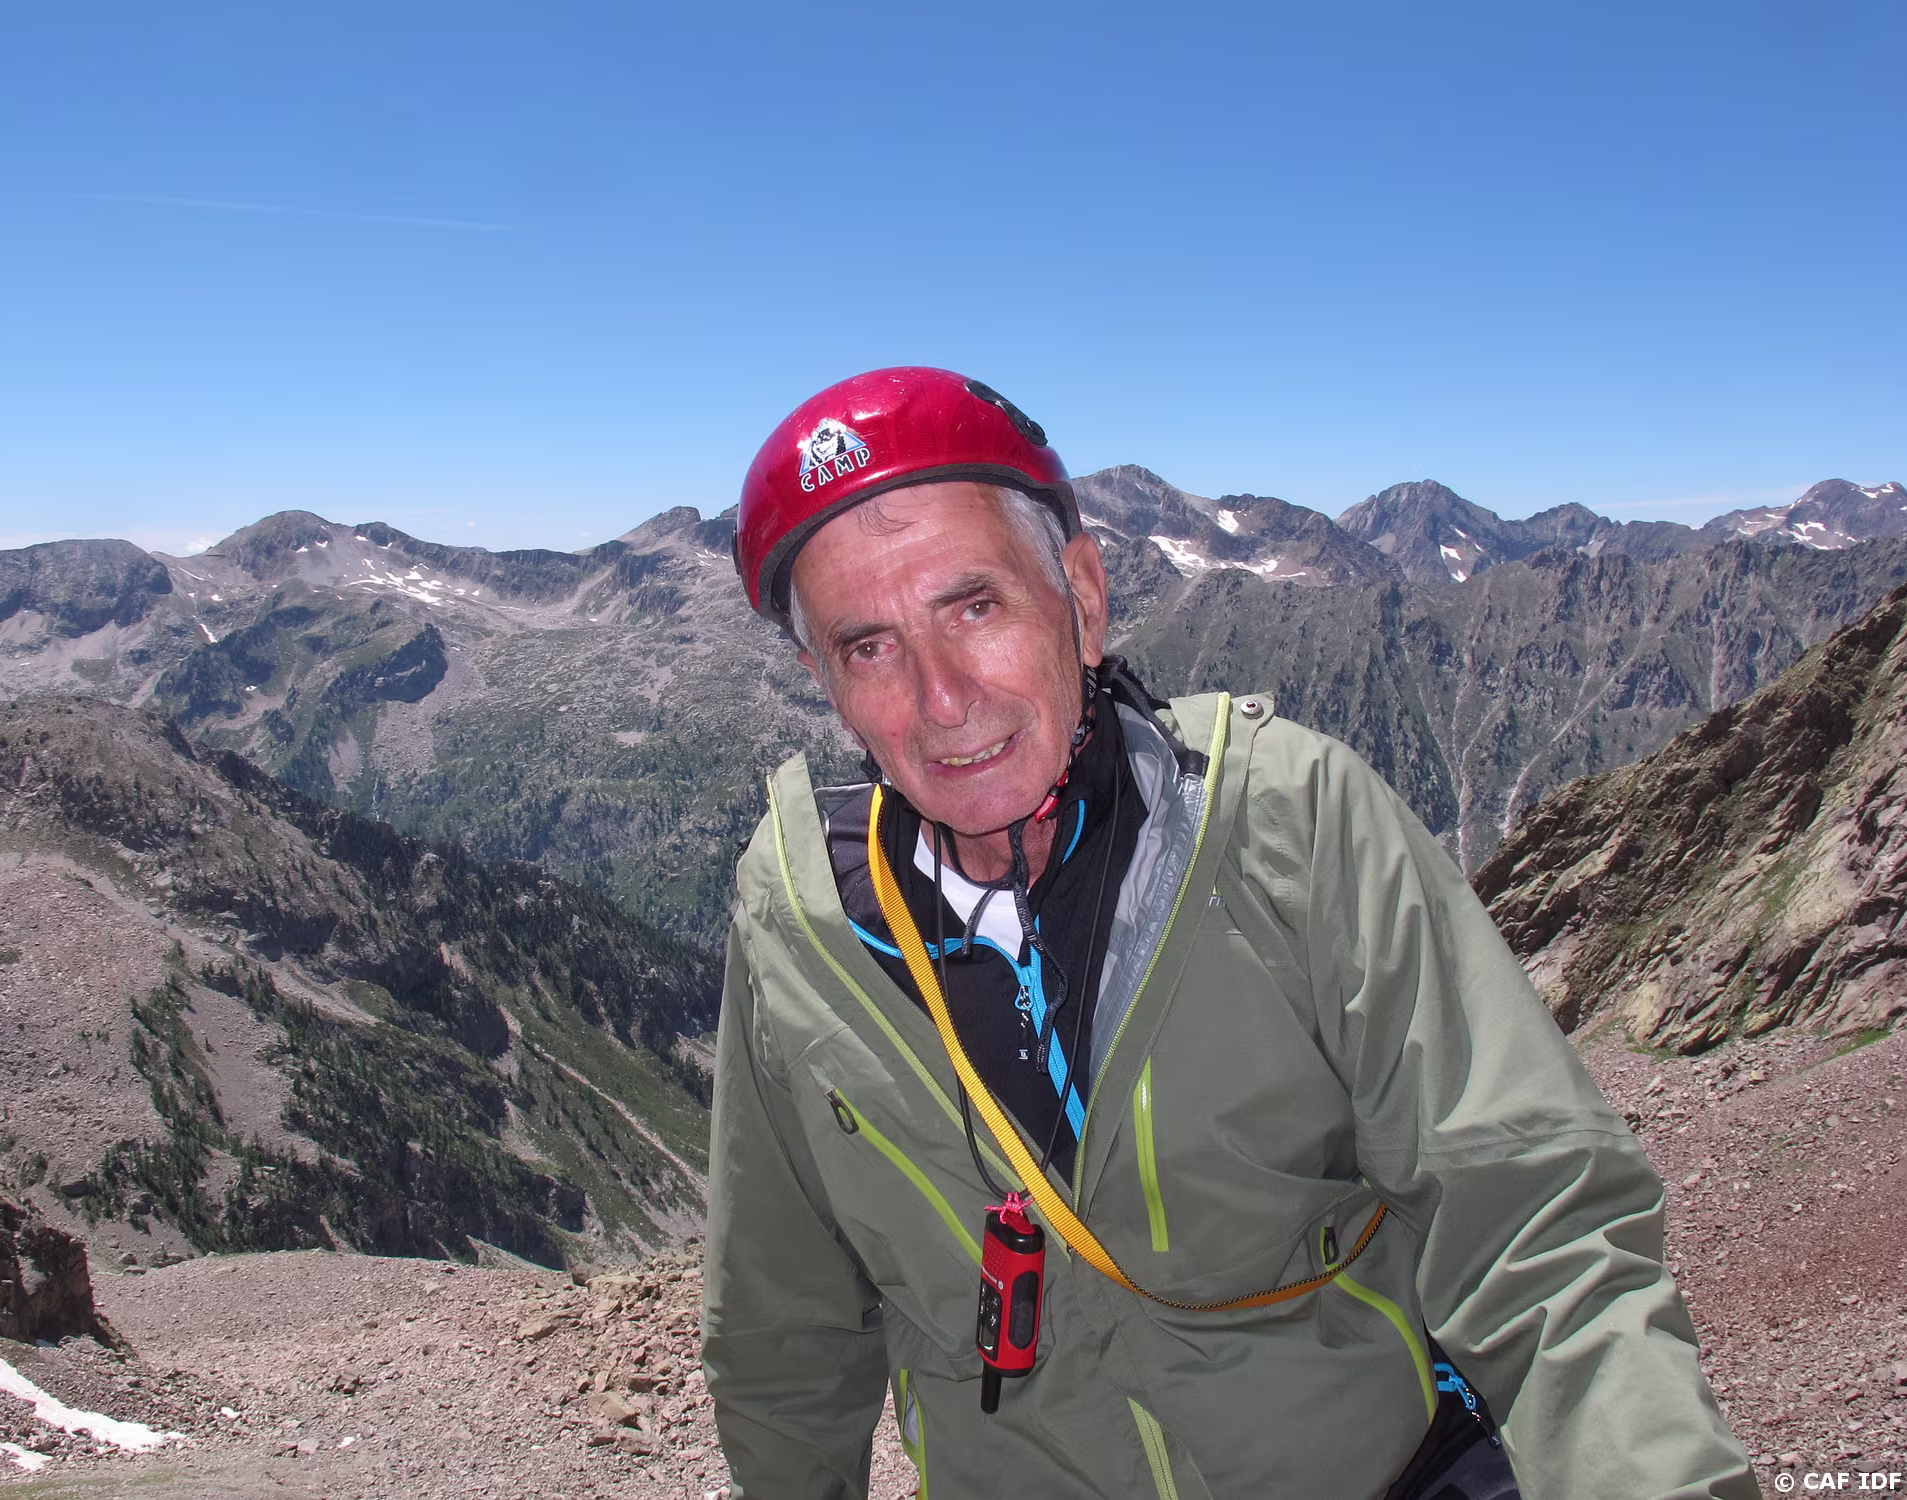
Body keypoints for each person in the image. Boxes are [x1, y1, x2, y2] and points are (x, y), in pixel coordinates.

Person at [701, 366, 1757, 1499]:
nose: (942, 698)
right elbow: (781, 1336)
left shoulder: (1291, 821)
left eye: (975, 607)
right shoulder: (798, 925)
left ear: (1082, 598)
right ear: (824, 682)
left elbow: (1535, 1227)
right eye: (869, 647)